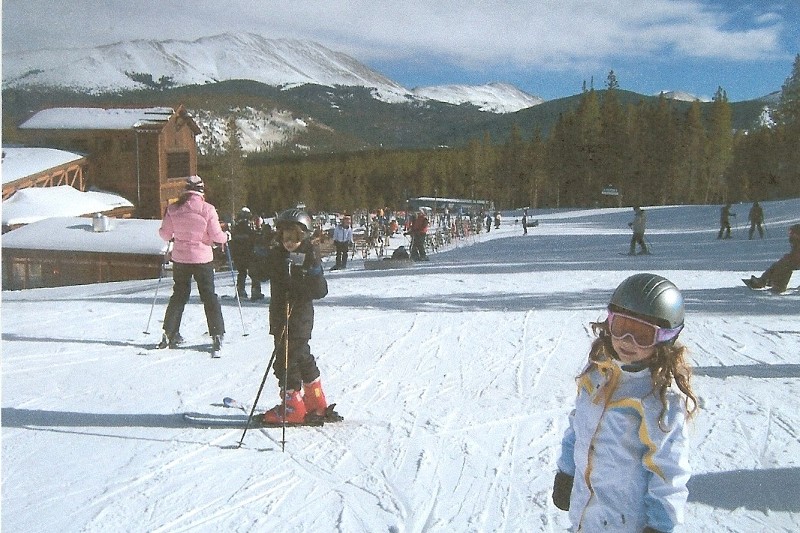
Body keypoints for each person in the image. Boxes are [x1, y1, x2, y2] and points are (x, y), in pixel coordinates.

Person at [553, 273, 698, 533]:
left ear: (665, 337)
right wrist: (566, 470)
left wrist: (660, 526)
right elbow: (578, 426)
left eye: (643, 335)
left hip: (626, 523)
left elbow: (668, 473)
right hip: (586, 513)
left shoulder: (660, 400)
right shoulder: (597, 374)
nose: (628, 342)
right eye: (621, 328)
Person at [254, 208, 332, 423]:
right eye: (285, 237)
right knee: (301, 356)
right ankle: (316, 401)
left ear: (304, 236)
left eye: (295, 238)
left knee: (286, 361)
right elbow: (259, 276)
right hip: (280, 316)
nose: (289, 242)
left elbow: (320, 292)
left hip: (298, 317)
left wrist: (313, 272)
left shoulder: (309, 256)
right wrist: (260, 253)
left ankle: (293, 407)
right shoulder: (277, 255)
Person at [157, 176, 228, 354]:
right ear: (201, 190)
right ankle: (217, 334)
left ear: (185, 190)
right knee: (209, 296)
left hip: (181, 259)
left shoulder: (173, 209)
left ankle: (169, 332)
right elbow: (217, 236)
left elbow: (165, 235)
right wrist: (226, 236)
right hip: (203, 259)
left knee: (179, 295)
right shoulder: (208, 209)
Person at [746, 223, 800, 293]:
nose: (790, 235)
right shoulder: (796, 242)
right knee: (779, 264)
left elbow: (796, 255)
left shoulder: (797, 242)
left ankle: (779, 286)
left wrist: (790, 258)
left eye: (792, 233)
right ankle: (763, 281)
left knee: (785, 265)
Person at [229, 207, 264, 300]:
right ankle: (255, 291)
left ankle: (241, 290)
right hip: (249, 252)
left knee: (242, 272)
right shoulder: (249, 225)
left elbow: (233, 239)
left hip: (238, 254)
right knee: (254, 272)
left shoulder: (236, 226)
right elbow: (255, 237)